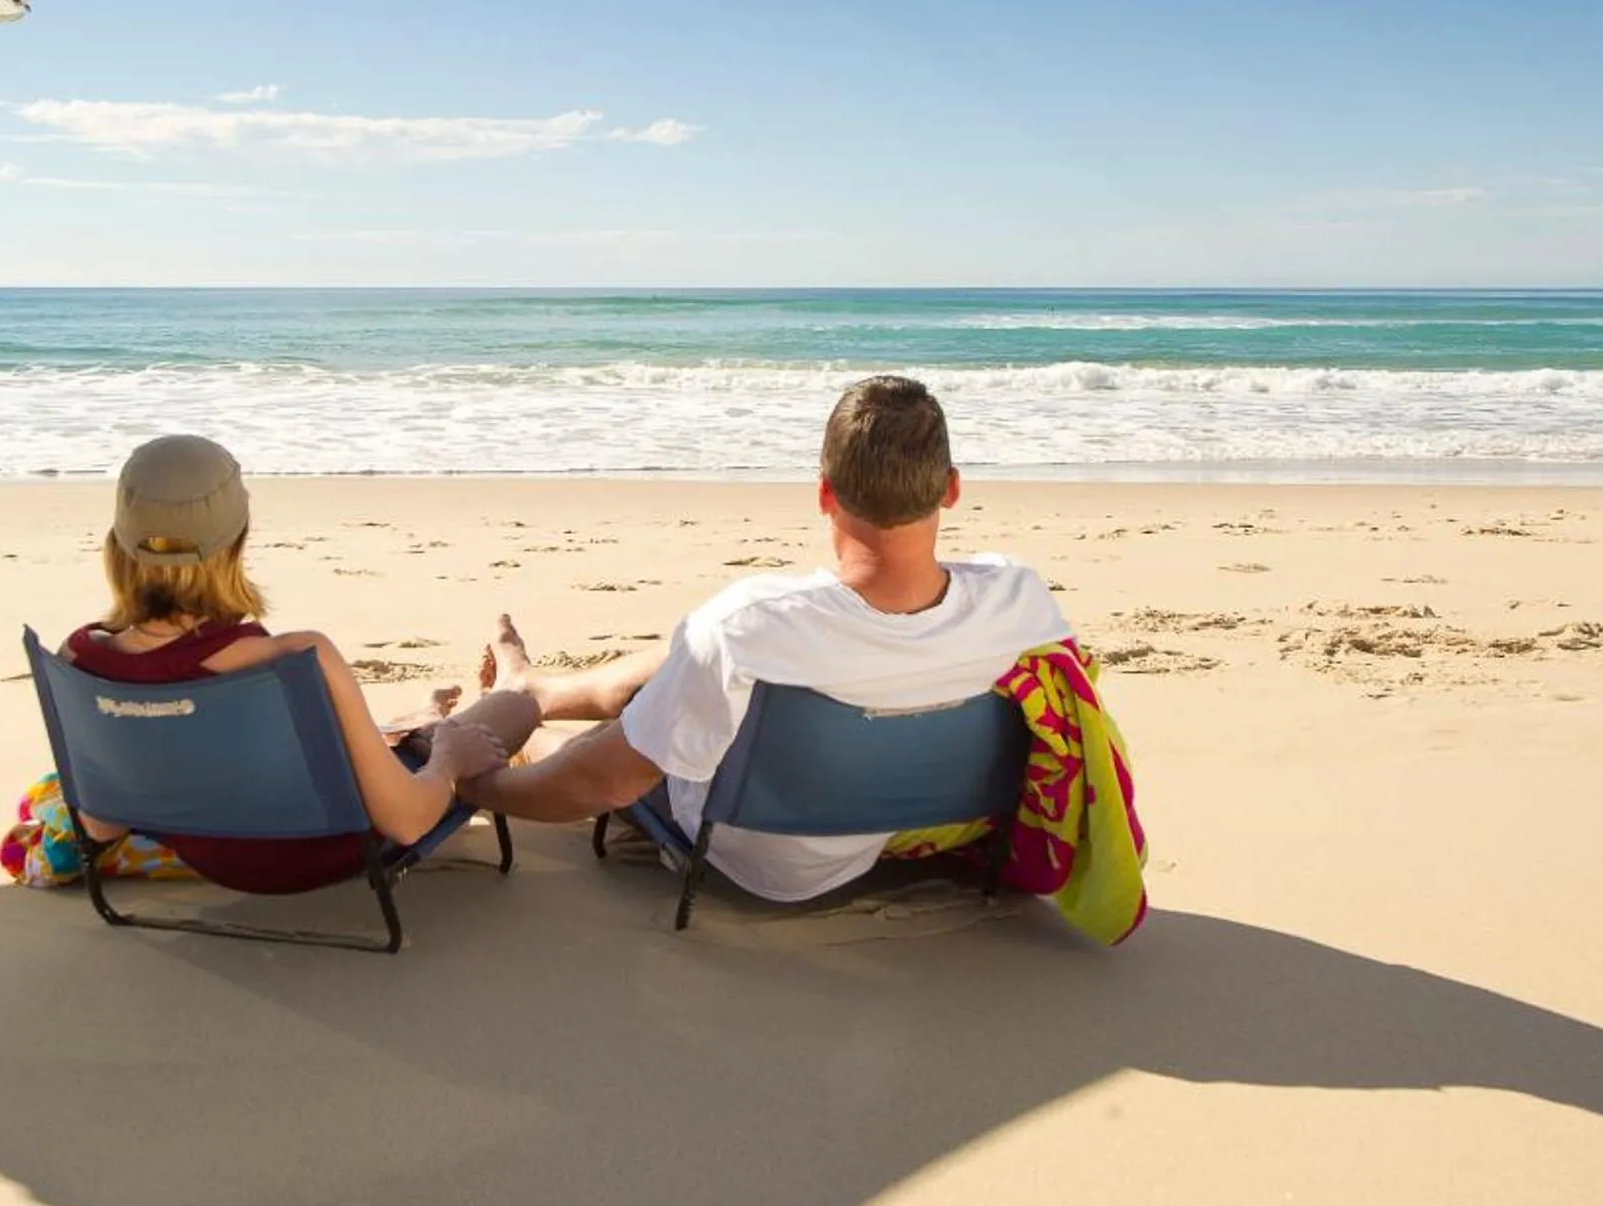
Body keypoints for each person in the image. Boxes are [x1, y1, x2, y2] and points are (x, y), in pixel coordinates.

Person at [461, 375, 1070, 904]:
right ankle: (539, 689)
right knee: (693, 661)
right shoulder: (1020, 600)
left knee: (628, 732)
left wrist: (472, 785)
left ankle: (529, 719)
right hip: (912, 823)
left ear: (824, 493)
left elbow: (603, 783)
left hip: (762, 857)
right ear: (952, 488)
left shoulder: (750, 623)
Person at [63, 433, 538, 891]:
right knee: (517, 705)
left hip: (212, 856)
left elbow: (100, 826)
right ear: (236, 543)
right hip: (326, 849)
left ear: (118, 543)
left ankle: (430, 720)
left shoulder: (81, 660)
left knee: (395, 738)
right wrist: (449, 764)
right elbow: (407, 821)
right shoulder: (295, 659)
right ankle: (477, 708)